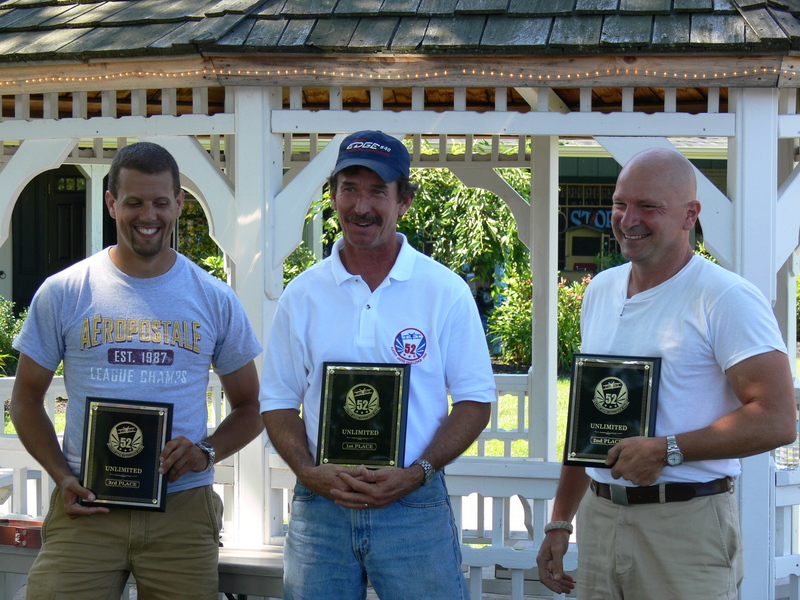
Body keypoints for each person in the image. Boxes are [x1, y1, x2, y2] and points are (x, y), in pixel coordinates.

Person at [536, 147, 797, 600]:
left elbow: (778, 419)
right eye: (620, 203)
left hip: (685, 526)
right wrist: (560, 520)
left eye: (648, 206)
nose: (628, 219)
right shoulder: (601, 290)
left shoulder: (725, 297)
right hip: (601, 519)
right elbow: (589, 420)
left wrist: (668, 450)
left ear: (689, 215)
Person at [10, 141, 263, 600]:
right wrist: (62, 476)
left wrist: (205, 452)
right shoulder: (65, 292)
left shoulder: (213, 298)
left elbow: (251, 406)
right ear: (112, 203)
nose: (149, 215)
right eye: (134, 202)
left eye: (161, 202)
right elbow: (25, 399)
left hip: (182, 506)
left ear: (179, 203)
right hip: (87, 503)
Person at [260, 130, 496, 599]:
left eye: (377, 191)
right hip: (321, 508)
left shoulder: (443, 291)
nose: (361, 206)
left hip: (413, 504)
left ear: (403, 201)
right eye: (349, 188)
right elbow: (278, 400)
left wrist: (416, 473)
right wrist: (307, 472)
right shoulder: (302, 294)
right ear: (333, 196)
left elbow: (475, 401)